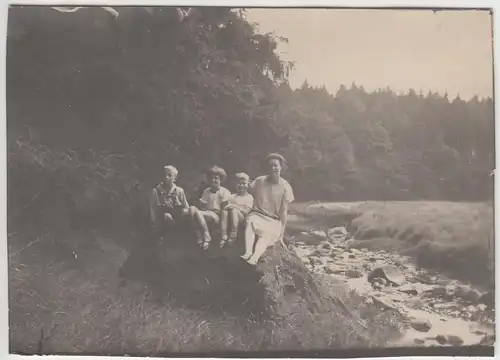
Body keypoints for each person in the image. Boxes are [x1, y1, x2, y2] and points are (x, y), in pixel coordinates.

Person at [241, 153, 294, 265]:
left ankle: (254, 258)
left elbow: (283, 211)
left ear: (281, 167)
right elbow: (246, 193)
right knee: (250, 222)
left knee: (264, 236)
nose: (273, 168)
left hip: (273, 220)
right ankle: (248, 252)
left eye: (275, 165)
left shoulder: (285, 186)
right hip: (257, 215)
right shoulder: (260, 181)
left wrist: (281, 234)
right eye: (270, 166)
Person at [188, 165, 231, 250]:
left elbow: (224, 210)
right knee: (191, 209)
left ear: (220, 179)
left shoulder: (224, 191)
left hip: (216, 216)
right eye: (211, 178)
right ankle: (199, 235)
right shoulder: (206, 191)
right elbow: (202, 206)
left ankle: (206, 235)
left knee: (197, 212)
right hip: (206, 213)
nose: (213, 180)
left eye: (216, 178)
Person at [149, 165, 190, 241]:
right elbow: (153, 209)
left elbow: (186, 207)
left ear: (175, 179)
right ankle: (164, 236)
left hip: (177, 218)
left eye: (169, 175)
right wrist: (155, 223)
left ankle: (180, 233)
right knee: (166, 216)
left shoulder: (179, 191)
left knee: (185, 212)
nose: (166, 177)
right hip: (162, 219)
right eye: (164, 175)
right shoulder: (156, 191)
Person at [220, 173, 254, 248]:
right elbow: (225, 206)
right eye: (239, 183)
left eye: (244, 183)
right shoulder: (232, 196)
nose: (241, 186)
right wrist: (225, 204)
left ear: (248, 184)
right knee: (224, 211)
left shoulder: (249, 197)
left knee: (234, 210)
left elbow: (246, 212)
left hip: (242, 219)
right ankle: (224, 235)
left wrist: (234, 206)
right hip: (231, 217)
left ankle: (233, 234)